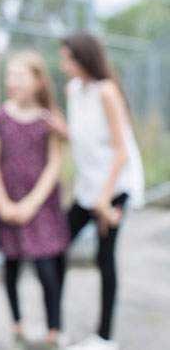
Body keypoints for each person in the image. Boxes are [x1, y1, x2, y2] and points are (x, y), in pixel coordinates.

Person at [49, 33, 144, 350]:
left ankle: (105, 338)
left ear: (84, 59)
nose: (63, 66)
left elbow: (121, 151)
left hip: (115, 186)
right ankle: (55, 326)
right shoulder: (74, 90)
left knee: (105, 257)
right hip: (88, 187)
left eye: (68, 59)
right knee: (57, 246)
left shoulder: (107, 92)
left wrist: (105, 200)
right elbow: (81, 136)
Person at [0, 52, 69, 350]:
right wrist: (4, 202)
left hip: (41, 207)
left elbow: (54, 164)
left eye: (20, 76)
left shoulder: (49, 121)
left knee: (48, 268)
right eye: (10, 75)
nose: (13, 81)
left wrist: (31, 204)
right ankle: (18, 326)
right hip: (7, 204)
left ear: (37, 81)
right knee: (11, 266)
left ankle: (54, 332)